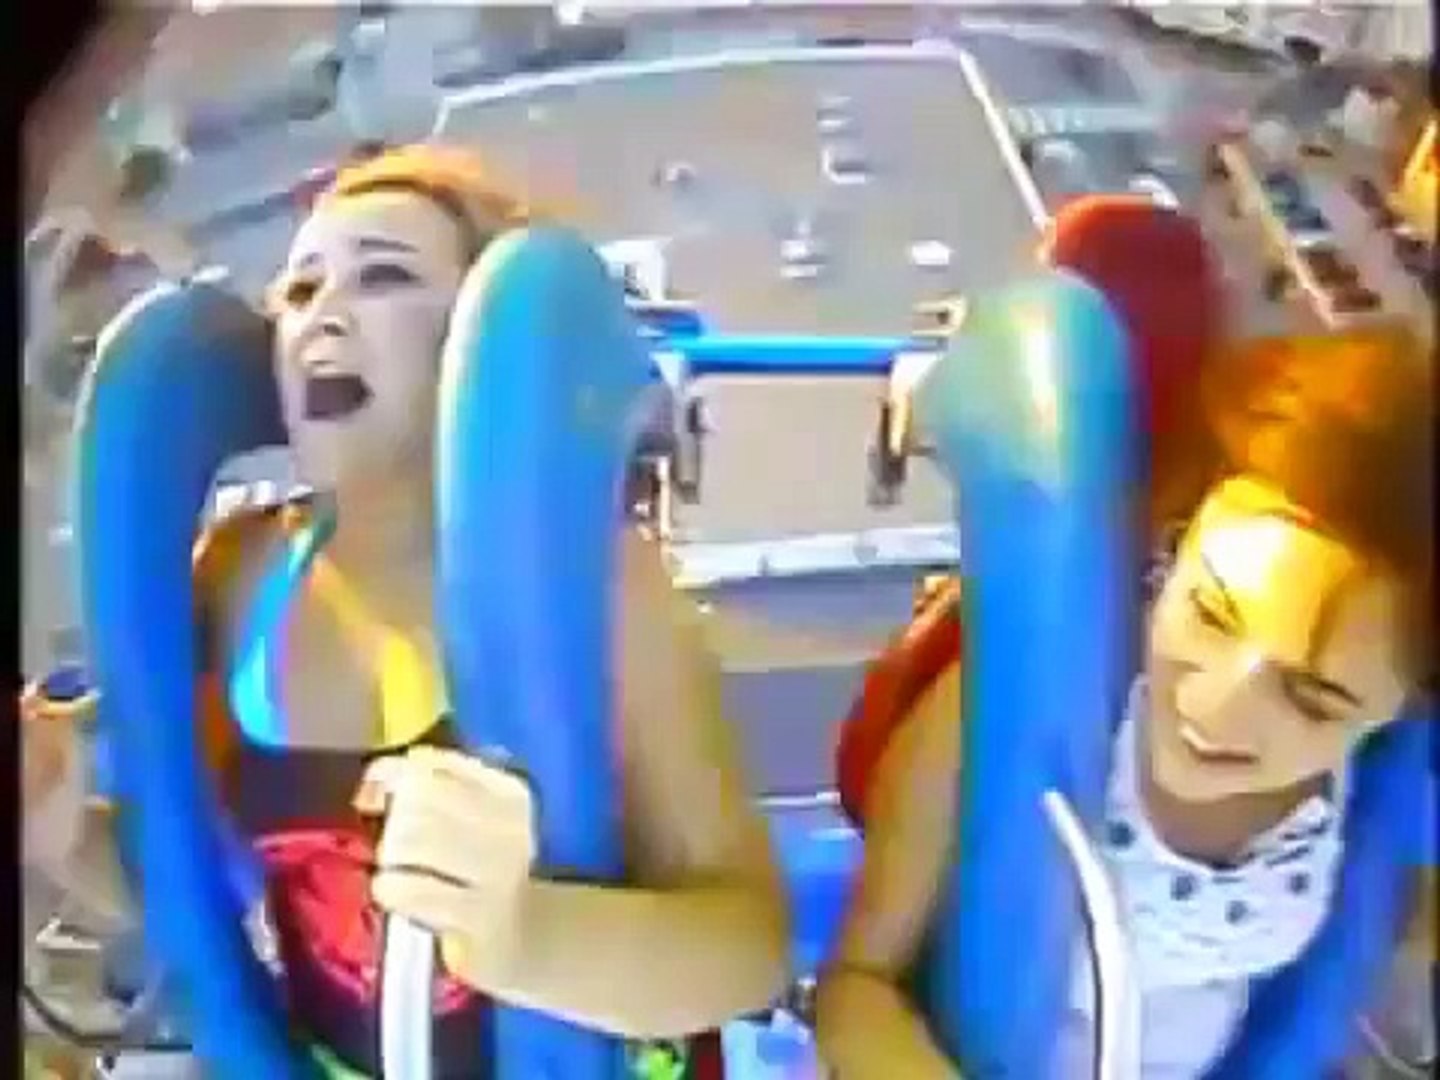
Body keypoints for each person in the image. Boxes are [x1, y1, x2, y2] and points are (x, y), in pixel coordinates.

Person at [27, 144, 789, 1078]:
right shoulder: (240, 576)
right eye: (299, 290)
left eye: (383, 276)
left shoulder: (598, 584)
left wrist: (528, 937)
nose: (323, 315)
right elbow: (196, 891)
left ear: (479, 347)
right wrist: (65, 831)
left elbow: (748, 944)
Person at [816, 317, 1435, 1077]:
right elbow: (854, 989)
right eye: (1211, 613)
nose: (1219, 706)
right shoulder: (1007, 708)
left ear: (1400, 709)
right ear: (1174, 547)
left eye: (1314, 697)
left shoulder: (1367, 788)